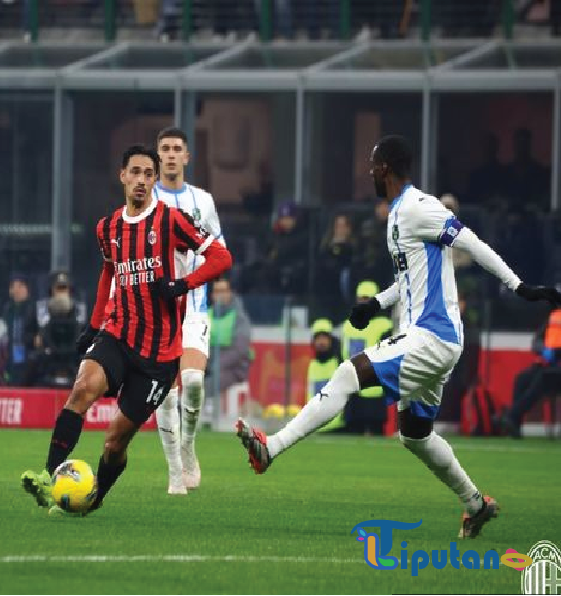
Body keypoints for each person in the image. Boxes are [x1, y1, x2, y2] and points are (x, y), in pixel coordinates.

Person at [235, 135, 561, 539]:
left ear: (384, 168)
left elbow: (471, 242)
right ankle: (476, 504)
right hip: (432, 339)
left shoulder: (419, 207)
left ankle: (271, 448)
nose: (369, 171)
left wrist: (519, 286)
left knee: (346, 376)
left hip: (432, 336)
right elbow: (410, 279)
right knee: (414, 434)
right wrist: (376, 302)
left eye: (372, 164)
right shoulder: (397, 215)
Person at [20, 144, 232, 516]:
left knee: (115, 442)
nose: (141, 180)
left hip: (160, 355)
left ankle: (93, 498)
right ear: (122, 175)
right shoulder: (109, 228)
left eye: (148, 174)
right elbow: (108, 272)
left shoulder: (171, 220)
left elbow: (221, 257)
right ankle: (46, 474)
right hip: (119, 333)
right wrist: (96, 323)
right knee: (82, 388)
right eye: (135, 172)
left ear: (153, 180)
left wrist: (184, 284)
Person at [152, 126, 226, 495]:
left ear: (186, 156)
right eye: (164, 148)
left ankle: (189, 444)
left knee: (192, 382)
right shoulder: (146, 198)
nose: (169, 154)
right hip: (154, 311)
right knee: (164, 394)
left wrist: (188, 282)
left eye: (176, 148)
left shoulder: (203, 201)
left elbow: (218, 252)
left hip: (193, 305)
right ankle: (174, 473)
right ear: (157, 155)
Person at [341, 281, 393, 435]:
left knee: (376, 430)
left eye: (367, 299)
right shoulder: (348, 324)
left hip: (375, 386)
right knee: (353, 430)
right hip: (353, 384)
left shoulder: (385, 325)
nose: (363, 302)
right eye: (361, 298)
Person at [503, 308, 561, 438]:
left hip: (556, 369)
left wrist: (557, 352)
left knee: (542, 379)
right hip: (548, 365)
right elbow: (536, 342)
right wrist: (544, 350)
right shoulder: (555, 316)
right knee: (521, 379)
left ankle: (511, 415)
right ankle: (514, 425)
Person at [207, 277, 252, 398]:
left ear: (230, 293)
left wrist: (216, 363)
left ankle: (206, 411)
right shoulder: (207, 314)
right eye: (217, 291)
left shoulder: (239, 317)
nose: (220, 295)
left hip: (234, 369)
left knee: (214, 380)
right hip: (209, 364)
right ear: (212, 295)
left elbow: (240, 349)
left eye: (223, 291)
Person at [306, 319, 343, 432]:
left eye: (324, 338)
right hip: (316, 426)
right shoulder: (312, 365)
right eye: (318, 338)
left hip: (338, 426)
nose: (321, 342)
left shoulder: (339, 363)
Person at [1, 275, 38, 386]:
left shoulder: (34, 308)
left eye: (20, 286)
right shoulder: (7, 310)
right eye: (13, 287)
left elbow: (39, 335)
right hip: (11, 359)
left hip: (29, 359)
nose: (16, 290)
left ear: (27, 289)